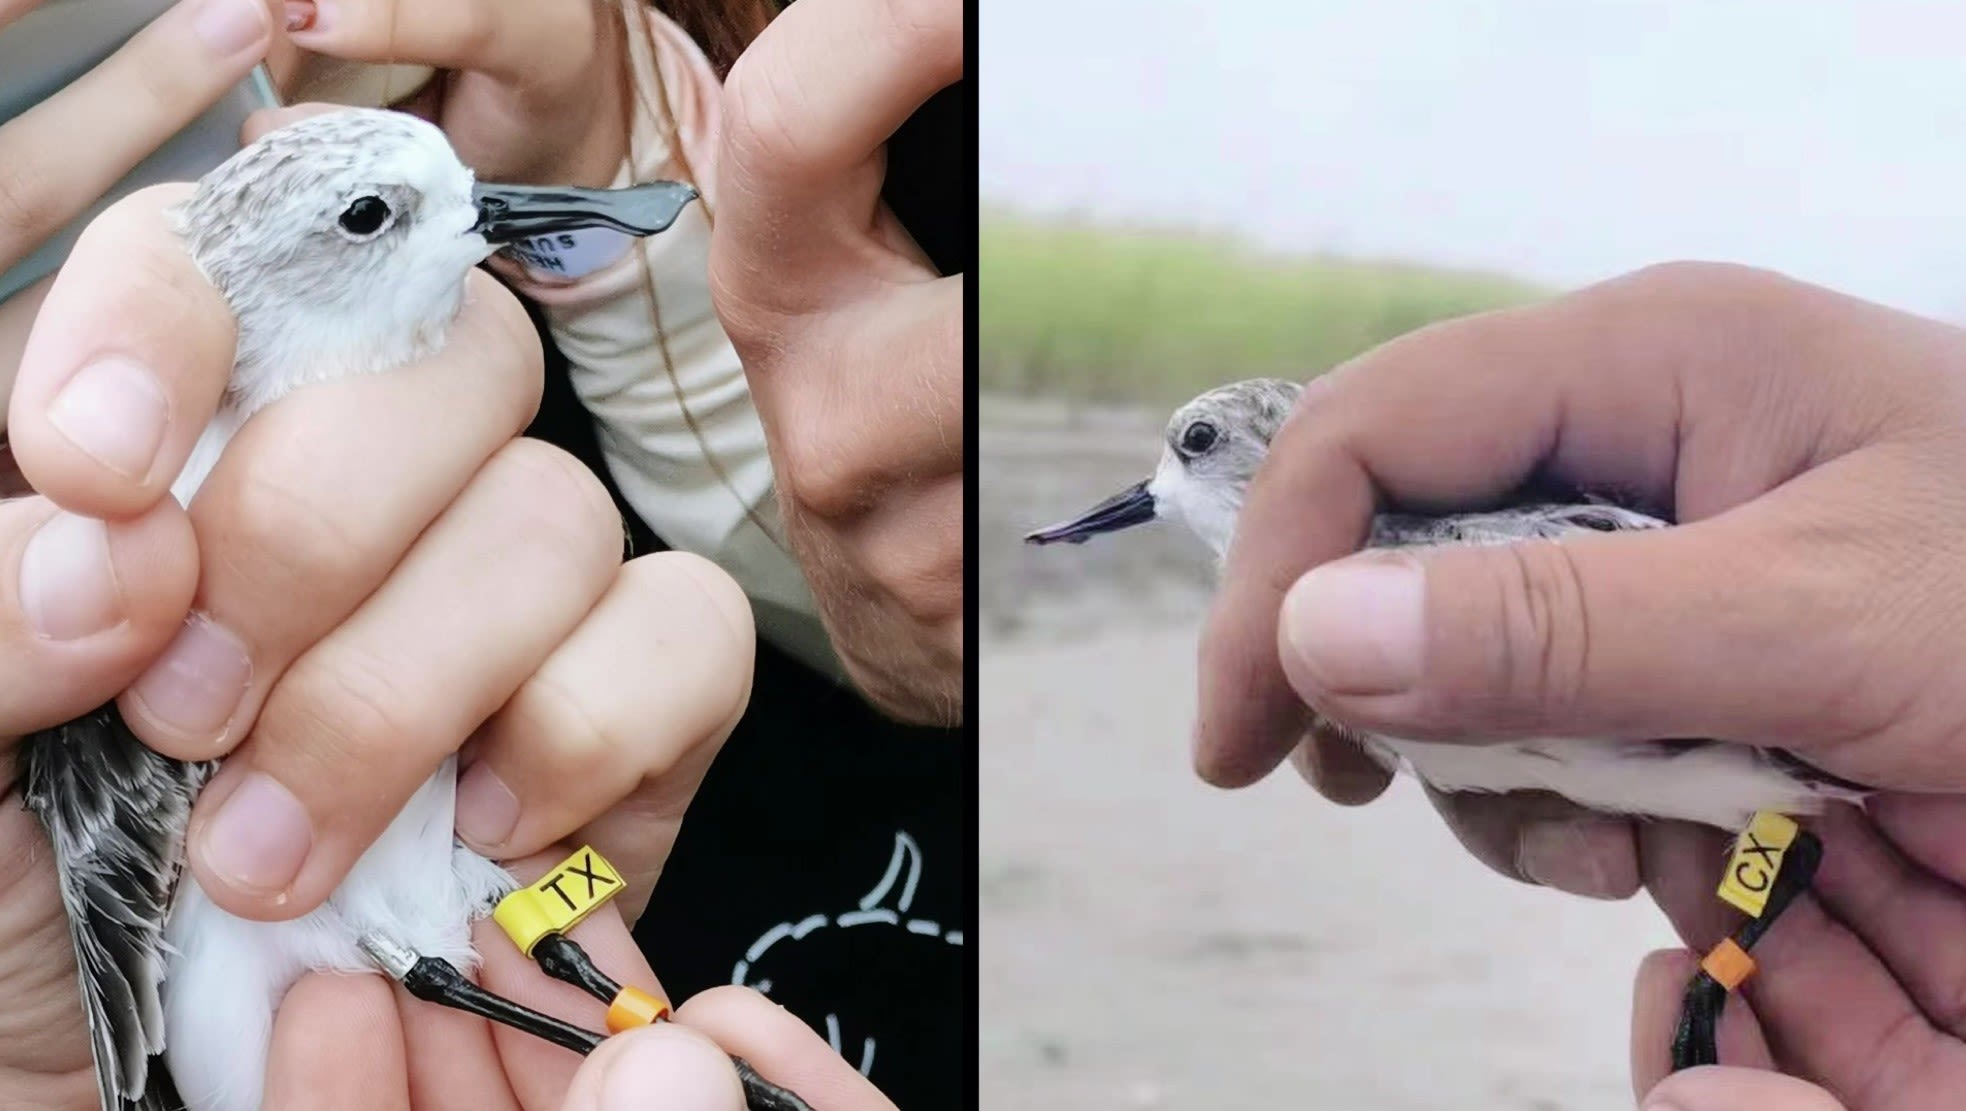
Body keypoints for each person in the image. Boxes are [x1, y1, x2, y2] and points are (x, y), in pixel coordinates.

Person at [0, 0, 965, 1104]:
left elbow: (537, 881)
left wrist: (641, 190)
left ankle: (660, 1033)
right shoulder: (119, 501)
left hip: (495, 905)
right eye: (378, 215)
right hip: (292, 971)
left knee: (542, 900)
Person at [1195, 260, 1966, 1108]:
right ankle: (1723, 972)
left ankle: (1721, 976)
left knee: (1746, 843)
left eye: (1197, 447)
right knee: (1764, 836)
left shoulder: (1423, 566)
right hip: (1808, 798)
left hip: (1806, 758)